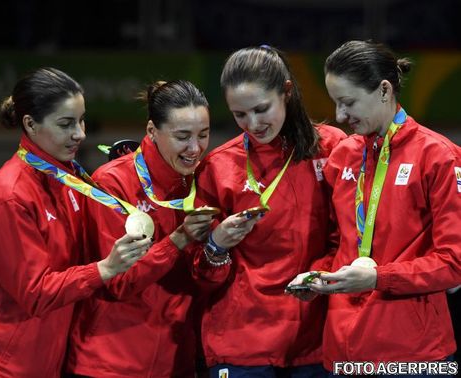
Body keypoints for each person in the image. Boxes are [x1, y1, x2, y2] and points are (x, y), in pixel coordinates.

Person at [0, 67, 152, 377]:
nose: (80, 133)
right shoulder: (9, 196)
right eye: (66, 124)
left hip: (44, 360)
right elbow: (35, 293)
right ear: (30, 124)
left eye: (81, 120)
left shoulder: (66, 179)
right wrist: (106, 268)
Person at [290, 40, 461, 374]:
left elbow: (453, 263)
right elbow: (339, 243)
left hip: (415, 355)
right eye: (336, 103)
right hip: (344, 349)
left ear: (384, 90)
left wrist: (377, 278)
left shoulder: (438, 156)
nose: (340, 116)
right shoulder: (342, 158)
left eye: (348, 102)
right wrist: (320, 273)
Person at [193, 46, 347, 377]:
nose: (253, 124)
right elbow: (200, 276)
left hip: (314, 337)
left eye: (262, 109)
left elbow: (346, 236)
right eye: (239, 115)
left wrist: (319, 274)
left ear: (287, 92)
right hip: (241, 340)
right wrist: (216, 246)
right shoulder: (217, 166)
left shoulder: (332, 148)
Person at [66, 80, 229, 377]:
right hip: (112, 362)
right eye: (182, 137)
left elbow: (205, 280)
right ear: (152, 131)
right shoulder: (113, 182)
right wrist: (178, 239)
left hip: (177, 359)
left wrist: (219, 248)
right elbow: (118, 281)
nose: (195, 149)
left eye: (203, 135)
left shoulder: (202, 180)